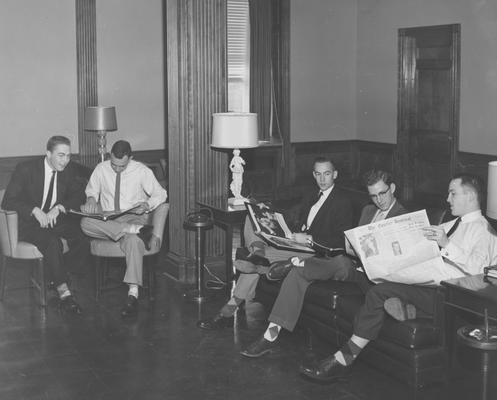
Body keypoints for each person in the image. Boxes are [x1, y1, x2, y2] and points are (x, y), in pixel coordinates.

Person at [300, 173, 497, 383]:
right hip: (426, 286)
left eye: (453, 193)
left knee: (378, 293)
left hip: (445, 298)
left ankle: (343, 360)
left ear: (470, 196)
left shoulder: (483, 230)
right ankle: (407, 308)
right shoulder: (452, 224)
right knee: (376, 286)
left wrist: (447, 244)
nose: (447, 199)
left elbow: (478, 270)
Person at [240, 169, 407, 357]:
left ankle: (289, 263)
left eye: (382, 193)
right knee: (304, 273)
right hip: (352, 264)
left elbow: (400, 259)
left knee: (340, 263)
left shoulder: (403, 217)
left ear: (392, 188)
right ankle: (270, 336)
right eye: (374, 196)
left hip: (370, 273)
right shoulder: (368, 211)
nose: (379, 200)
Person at [197, 156, 354, 330]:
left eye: (327, 174)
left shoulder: (343, 201)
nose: (322, 179)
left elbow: (342, 241)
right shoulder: (312, 193)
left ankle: (228, 310)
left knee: (255, 262)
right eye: (318, 174)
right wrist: (269, 211)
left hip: (313, 251)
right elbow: (297, 217)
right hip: (295, 241)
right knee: (252, 215)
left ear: (335, 174)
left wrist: (309, 239)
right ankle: (257, 253)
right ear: (313, 175)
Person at [1, 136, 89, 314]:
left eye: (68, 156)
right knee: (52, 242)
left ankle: (61, 278)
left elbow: (79, 195)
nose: (65, 161)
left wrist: (60, 207)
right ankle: (65, 294)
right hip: (27, 224)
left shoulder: (69, 169)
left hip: (53, 220)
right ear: (48, 153)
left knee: (81, 236)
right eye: (61, 155)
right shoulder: (26, 169)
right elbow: (8, 201)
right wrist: (34, 210)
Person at [80, 140, 167, 317]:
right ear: (110, 156)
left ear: (131, 158)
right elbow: (91, 191)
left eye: (122, 166)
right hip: (108, 219)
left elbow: (161, 194)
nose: (117, 169)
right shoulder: (101, 168)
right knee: (85, 223)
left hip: (134, 216)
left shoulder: (141, 170)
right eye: (114, 164)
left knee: (134, 241)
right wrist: (90, 200)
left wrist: (147, 204)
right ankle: (132, 229)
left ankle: (133, 294)